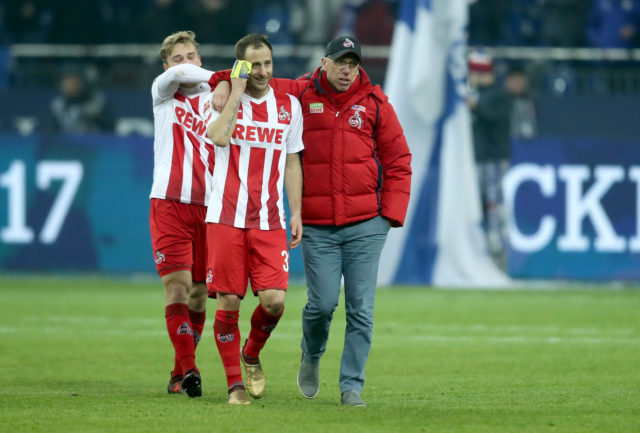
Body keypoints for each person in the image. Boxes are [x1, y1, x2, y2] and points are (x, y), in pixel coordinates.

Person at [209, 34, 411, 407]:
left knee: (361, 310)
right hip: (318, 225)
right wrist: (221, 80)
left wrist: (390, 216)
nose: (347, 71)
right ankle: (312, 354)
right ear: (324, 63)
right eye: (340, 63)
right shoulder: (300, 93)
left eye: (353, 64)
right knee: (320, 305)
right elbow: (253, 75)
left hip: (367, 223)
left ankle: (351, 387)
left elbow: (399, 160)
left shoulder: (376, 103)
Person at [201, 33, 303, 405]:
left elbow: (292, 162)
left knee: (275, 300)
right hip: (226, 217)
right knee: (229, 302)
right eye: (254, 64)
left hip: (271, 219)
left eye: (268, 64)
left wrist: (298, 212)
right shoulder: (223, 99)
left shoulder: (290, 107)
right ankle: (234, 386)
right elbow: (218, 137)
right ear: (241, 65)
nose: (262, 71)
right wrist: (234, 88)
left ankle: (252, 353)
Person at [149, 30, 226, 398]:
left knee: (198, 295)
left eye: (191, 56)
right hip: (169, 203)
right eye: (178, 58)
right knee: (176, 288)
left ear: (200, 57)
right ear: (166, 65)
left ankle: (179, 371)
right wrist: (226, 74)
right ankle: (191, 369)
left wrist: (229, 83)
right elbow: (178, 77)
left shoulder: (219, 97)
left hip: (211, 208)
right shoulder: (163, 93)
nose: (185, 63)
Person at [466, 50, 511, 270]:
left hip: (494, 158)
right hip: (479, 158)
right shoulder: (479, 93)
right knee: (478, 204)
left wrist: (477, 107)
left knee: (495, 206)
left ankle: (499, 252)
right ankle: (482, 248)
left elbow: (497, 119)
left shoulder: (498, 94)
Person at [46, 66, 115, 133]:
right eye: (66, 82)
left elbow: (111, 129)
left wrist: (95, 117)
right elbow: (49, 130)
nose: (70, 86)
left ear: (82, 83)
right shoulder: (57, 105)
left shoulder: (97, 101)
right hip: (66, 143)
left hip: (94, 142)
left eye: (73, 82)